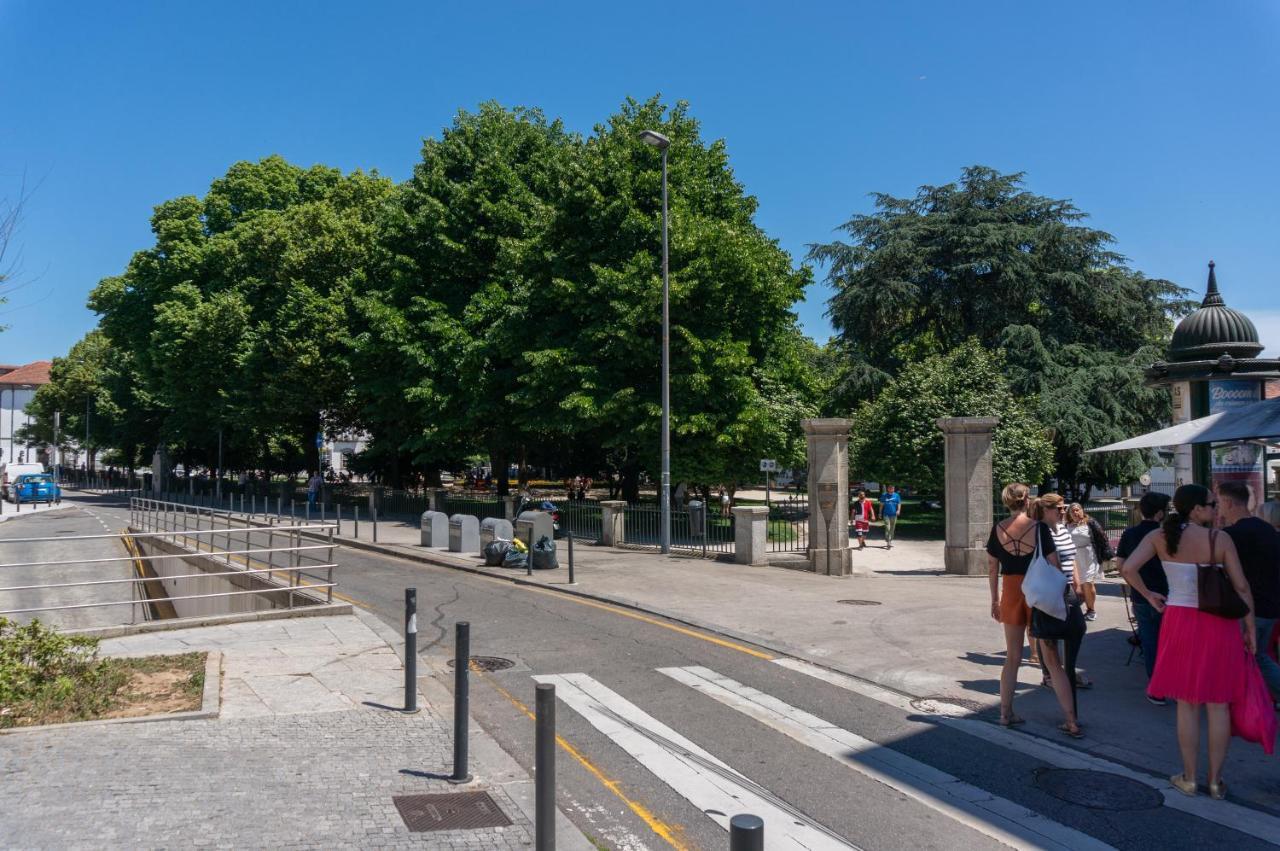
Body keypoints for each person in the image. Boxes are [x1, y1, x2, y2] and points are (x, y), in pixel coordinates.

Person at [1122, 484, 1256, 799]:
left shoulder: (1160, 537)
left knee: (1187, 703)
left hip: (1179, 621)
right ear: (1195, 509)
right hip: (1218, 624)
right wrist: (1248, 627)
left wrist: (1149, 595)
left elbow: (1127, 568)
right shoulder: (1220, 539)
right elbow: (1242, 586)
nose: (1215, 509)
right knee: (1219, 704)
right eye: (1210, 504)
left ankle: (1190, 778)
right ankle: (1215, 782)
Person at [986, 483, 1082, 736]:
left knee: (1012, 657)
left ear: (1006, 502)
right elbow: (1054, 563)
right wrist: (1064, 591)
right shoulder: (1039, 529)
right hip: (1039, 591)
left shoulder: (998, 530)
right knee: (1052, 659)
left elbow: (993, 568)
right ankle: (1071, 720)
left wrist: (994, 600)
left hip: (1011, 591)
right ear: (1027, 500)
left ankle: (1005, 713)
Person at [1218, 481, 1280, 705]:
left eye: (1219, 503)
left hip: (1248, 609)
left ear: (1228, 502)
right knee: (1259, 656)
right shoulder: (1267, 529)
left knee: (1251, 656)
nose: (1218, 508)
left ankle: (1240, 700)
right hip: (1270, 605)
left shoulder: (1231, 535)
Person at [1117, 491, 1173, 703]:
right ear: (1160, 513)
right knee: (1169, 640)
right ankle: (1174, 683)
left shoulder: (1130, 534)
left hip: (1141, 594)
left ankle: (1156, 687)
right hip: (1167, 593)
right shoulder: (1166, 534)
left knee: (1149, 641)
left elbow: (1121, 565)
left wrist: (1137, 586)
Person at [1066, 503, 1113, 622]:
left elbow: (1102, 538)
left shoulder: (1090, 523)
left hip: (1089, 556)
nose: (1075, 513)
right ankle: (1080, 608)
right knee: (1079, 585)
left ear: (1082, 511)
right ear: (1069, 514)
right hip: (1075, 558)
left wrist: (1108, 554)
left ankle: (1091, 610)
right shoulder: (1067, 525)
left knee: (1088, 583)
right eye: (1073, 511)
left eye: (1078, 510)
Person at [879, 484, 902, 549]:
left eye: (893, 488)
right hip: (886, 514)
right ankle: (888, 541)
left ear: (894, 489)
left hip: (894, 514)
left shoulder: (896, 495)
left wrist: (898, 510)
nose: (892, 489)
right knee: (887, 527)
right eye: (890, 488)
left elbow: (899, 503)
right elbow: (881, 505)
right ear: (888, 489)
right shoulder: (884, 495)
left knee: (892, 528)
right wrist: (880, 513)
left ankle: (890, 540)